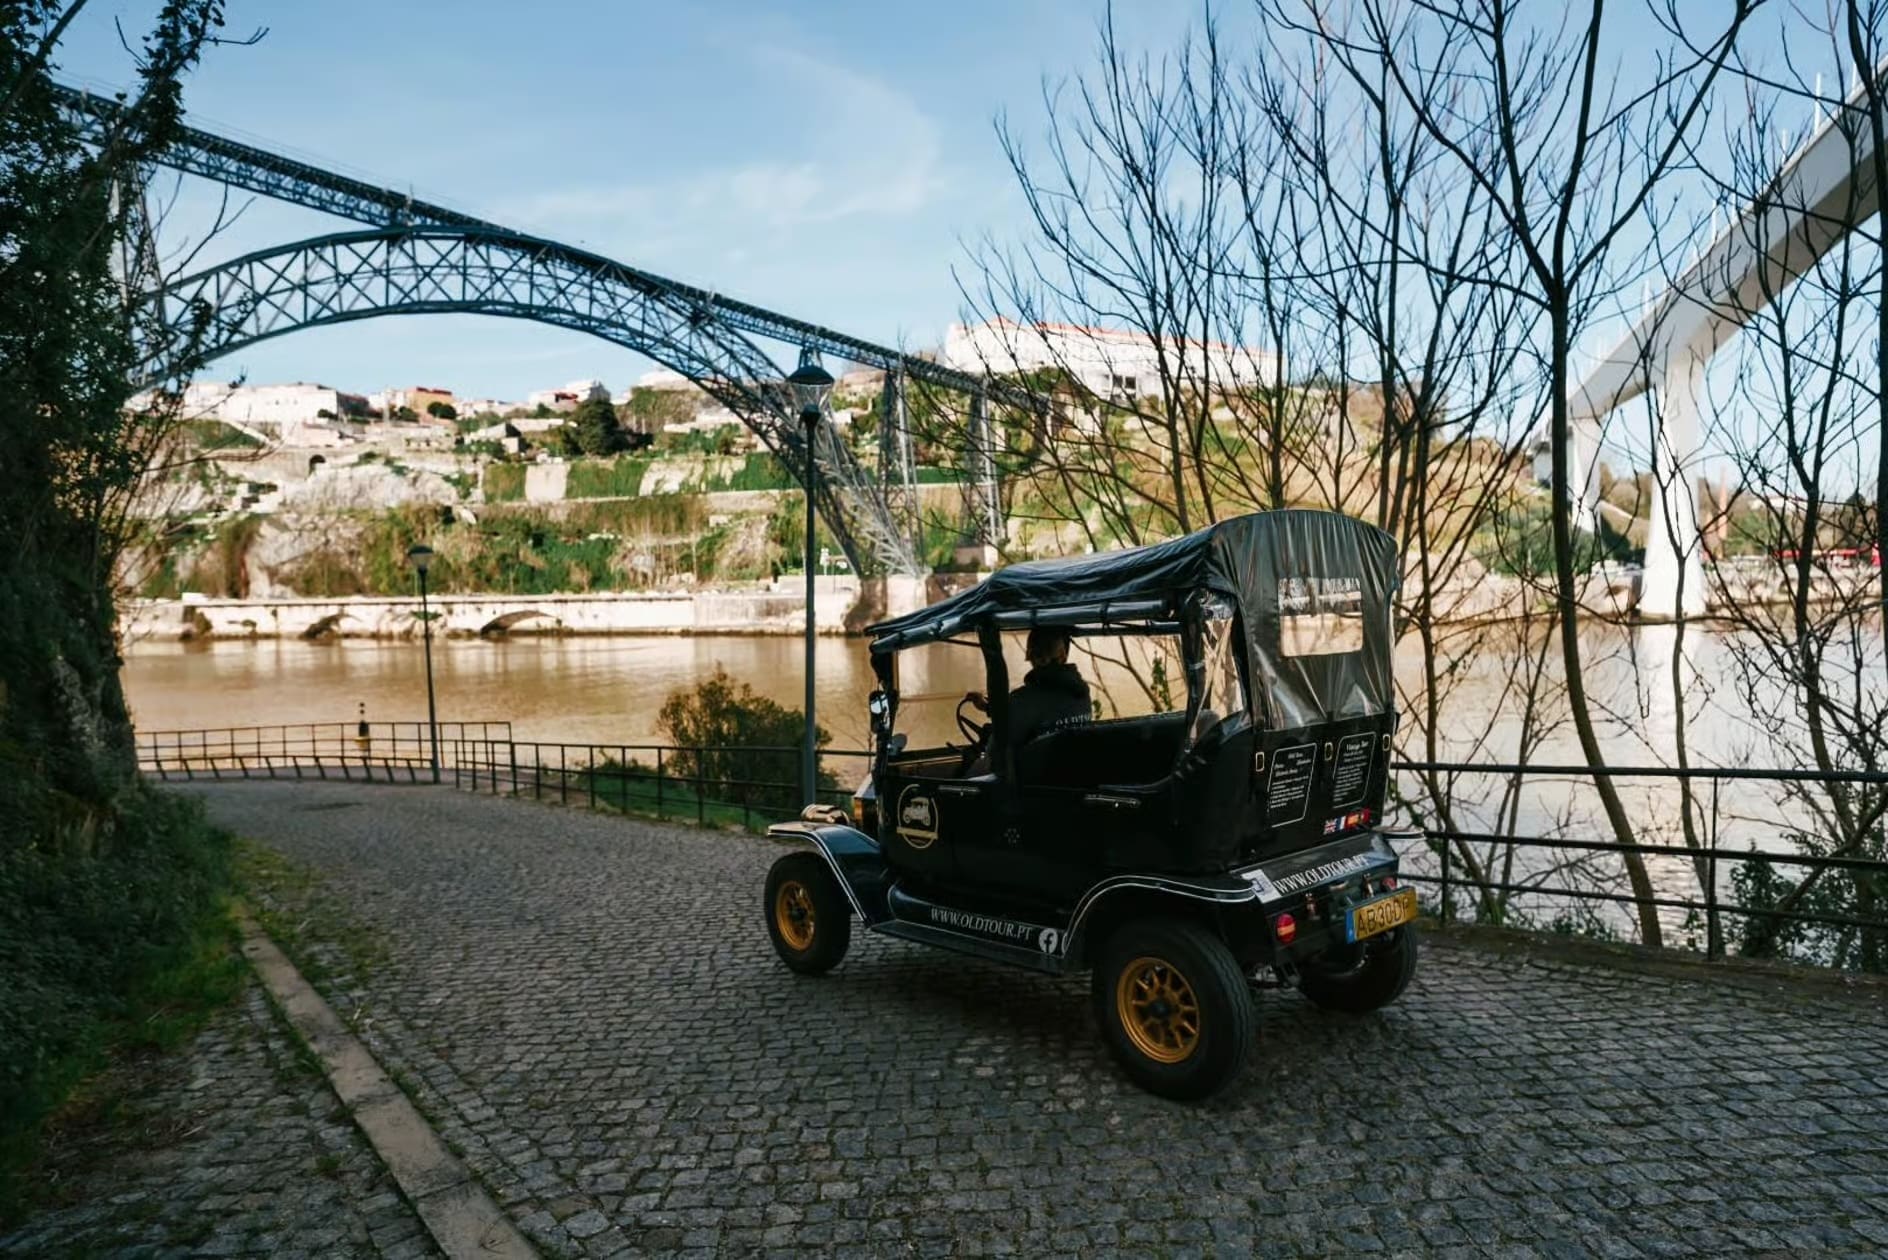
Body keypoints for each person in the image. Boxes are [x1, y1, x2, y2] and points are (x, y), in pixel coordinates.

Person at [966, 626, 1092, 751]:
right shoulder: (1083, 696)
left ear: (1032, 657)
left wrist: (991, 737)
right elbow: (1046, 710)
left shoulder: (1022, 699)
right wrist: (987, 707)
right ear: (1064, 655)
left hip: (1037, 765)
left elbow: (996, 753)